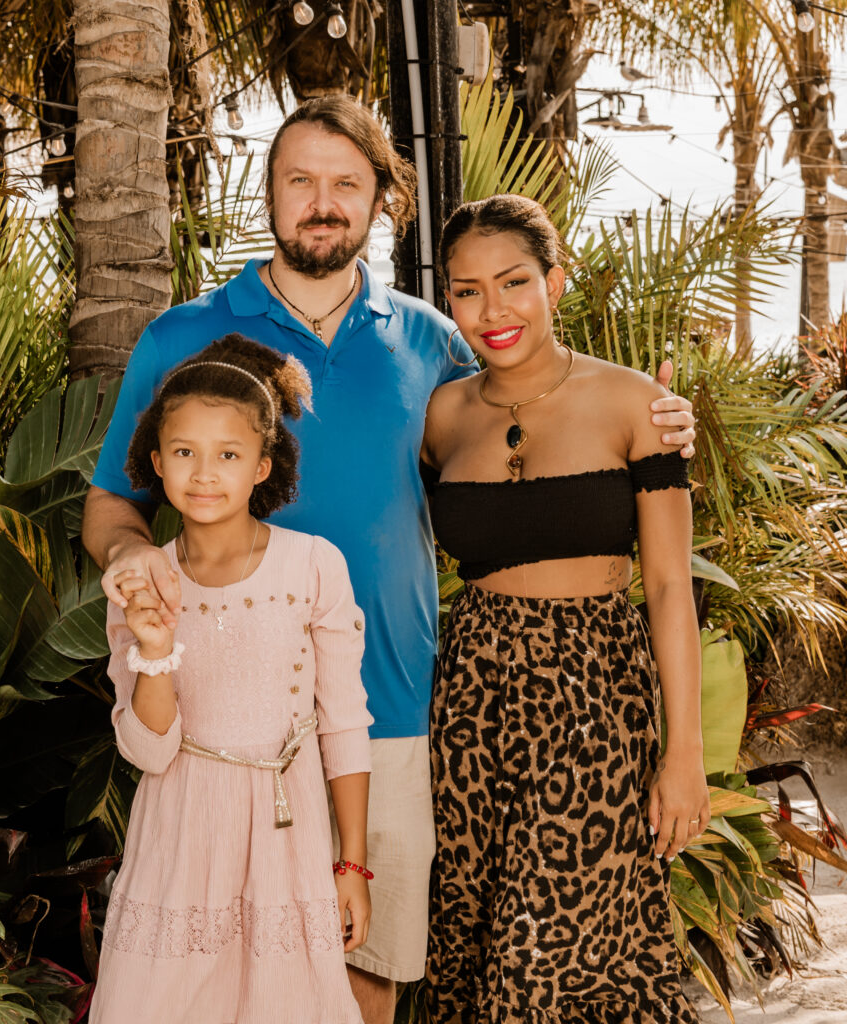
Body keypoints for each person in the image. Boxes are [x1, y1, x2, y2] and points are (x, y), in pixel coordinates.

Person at [82, 96, 698, 1024]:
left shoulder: (434, 344)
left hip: (399, 712)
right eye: (300, 181)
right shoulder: (181, 336)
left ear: (381, 201)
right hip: (223, 724)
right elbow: (109, 505)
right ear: (270, 194)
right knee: (218, 983)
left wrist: (657, 423)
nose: (322, 203)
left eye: (346, 183)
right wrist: (134, 559)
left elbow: (527, 422)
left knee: (370, 973)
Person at [421, 194, 710, 1023]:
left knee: (551, 945)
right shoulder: (440, 417)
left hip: (594, 700)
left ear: (555, 280)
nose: (493, 310)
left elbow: (665, 587)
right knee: (475, 942)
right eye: (468, 290)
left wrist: (681, 755)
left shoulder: (635, 408)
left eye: (514, 282)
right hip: (472, 704)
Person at [88, 335, 373, 1024]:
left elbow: (343, 721)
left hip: (288, 836)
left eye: (228, 454)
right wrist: (154, 647)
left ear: (262, 465)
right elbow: (149, 752)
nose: (205, 473)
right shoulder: (142, 580)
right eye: (184, 452)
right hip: (181, 837)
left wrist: (352, 865)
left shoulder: (314, 567)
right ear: (156, 462)